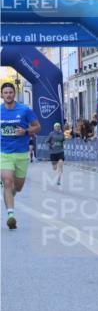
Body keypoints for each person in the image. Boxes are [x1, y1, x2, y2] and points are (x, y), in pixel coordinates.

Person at [1, 82, 40, 228]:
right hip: (4, 153)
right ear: (2, 94)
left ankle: (9, 193)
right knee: (7, 182)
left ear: (14, 93)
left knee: (17, 187)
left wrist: (25, 132)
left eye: (11, 92)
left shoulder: (24, 110)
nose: (8, 95)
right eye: (5, 92)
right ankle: (11, 215)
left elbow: (37, 126)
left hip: (21, 153)